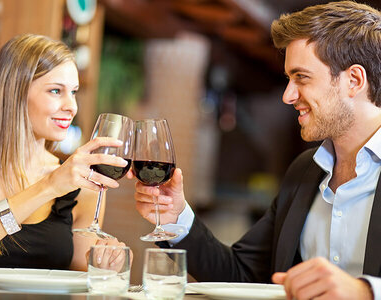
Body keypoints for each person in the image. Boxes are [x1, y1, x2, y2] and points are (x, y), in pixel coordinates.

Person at [134, 1, 381, 299]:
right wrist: (175, 218)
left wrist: (366, 291)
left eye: (301, 77)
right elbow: (240, 274)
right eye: (289, 79)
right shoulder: (304, 171)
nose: (288, 95)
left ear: (353, 80)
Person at [0, 33, 130, 271]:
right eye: (55, 91)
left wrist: (104, 269)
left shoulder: (81, 188)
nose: (71, 107)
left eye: (73, 92)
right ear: (14, 92)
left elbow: (79, 285)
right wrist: (49, 186)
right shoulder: (61, 180)